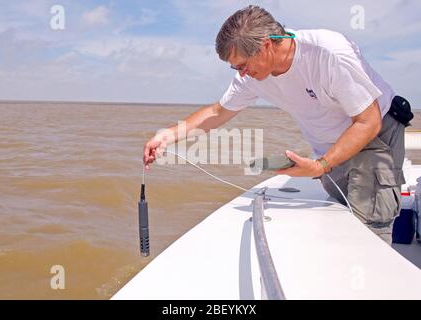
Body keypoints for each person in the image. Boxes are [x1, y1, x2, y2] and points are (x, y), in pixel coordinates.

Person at [143, 5, 412, 245]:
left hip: (373, 138)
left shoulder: (330, 54)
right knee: (343, 212)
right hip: (330, 148)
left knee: (369, 230)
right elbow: (218, 111)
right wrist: (167, 136)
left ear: (267, 46)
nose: (242, 74)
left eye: (243, 66)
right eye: (235, 68)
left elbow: (368, 121)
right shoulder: (252, 76)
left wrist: (321, 166)